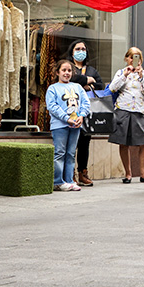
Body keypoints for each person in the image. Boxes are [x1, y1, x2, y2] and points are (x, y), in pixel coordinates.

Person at [109, 47, 144, 183]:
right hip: (123, 109)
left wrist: (141, 78)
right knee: (124, 143)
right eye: (131, 57)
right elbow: (112, 88)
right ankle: (128, 174)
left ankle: (143, 174)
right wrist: (125, 75)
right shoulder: (121, 72)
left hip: (139, 111)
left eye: (137, 57)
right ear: (126, 59)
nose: (134, 60)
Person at [46, 60, 89, 191]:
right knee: (60, 153)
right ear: (57, 72)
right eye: (63, 70)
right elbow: (52, 106)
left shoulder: (78, 87)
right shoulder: (52, 88)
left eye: (69, 70)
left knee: (71, 153)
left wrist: (81, 116)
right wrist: (66, 118)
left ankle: (69, 180)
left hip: (75, 125)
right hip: (59, 126)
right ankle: (58, 181)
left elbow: (86, 103)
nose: (67, 73)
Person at [67, 39, 103, 187]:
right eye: (78, 49)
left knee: (84, 142)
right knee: (71, 143)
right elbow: (71, 79)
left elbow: (100, 85)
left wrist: (88, 85)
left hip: (87, 111)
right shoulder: (68, 67)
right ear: (72, 52)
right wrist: (86, 80)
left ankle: (83, 172)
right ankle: (70, 174)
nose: (81, 52)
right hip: (70, 109)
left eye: (83, 49)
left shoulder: (92, 70)